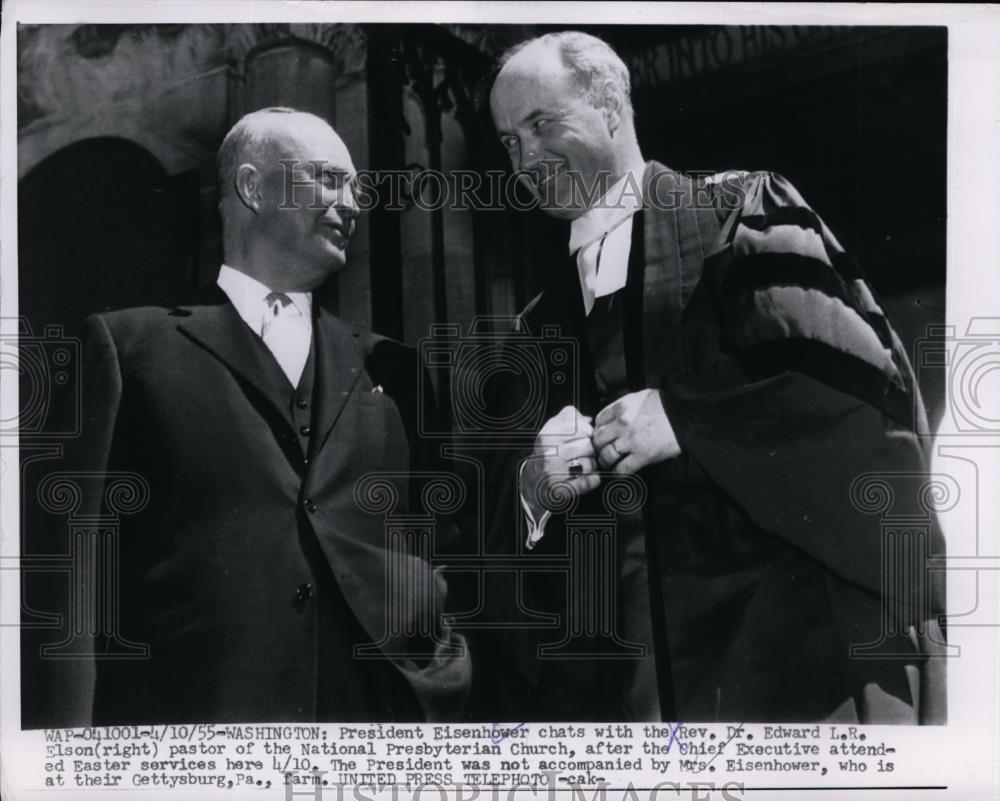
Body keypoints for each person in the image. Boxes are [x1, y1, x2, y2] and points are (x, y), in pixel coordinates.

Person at [479, 31, 946, 723]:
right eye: (510, 142)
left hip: (798, 671)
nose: (527, 158)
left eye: (542, 123)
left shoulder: (738, 213)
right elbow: (491, 566)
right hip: (629, 702)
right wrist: (531, 491)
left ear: (610, 106)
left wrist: (689, 420)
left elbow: (863, 399)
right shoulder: (536, 325)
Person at [30, 107, 469, 726]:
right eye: (328, 179)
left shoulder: (389, 369)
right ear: (252, 187)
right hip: (194, 731)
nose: (352, 204)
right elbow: (71, 576)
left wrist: (441, 671)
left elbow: (444, 549)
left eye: (357, 189)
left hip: (370, 734)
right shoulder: (126, 347)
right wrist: (63, 759)